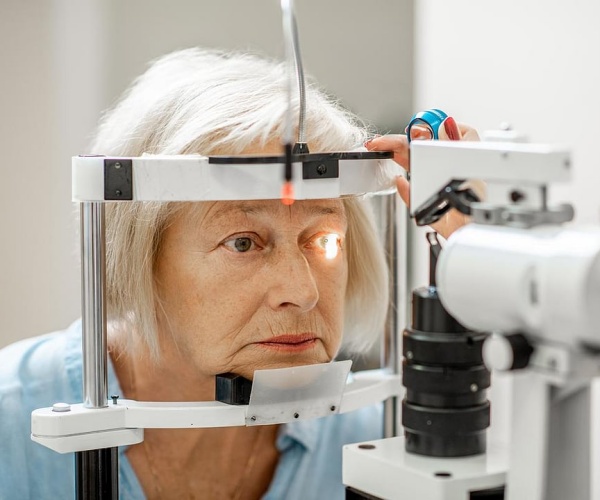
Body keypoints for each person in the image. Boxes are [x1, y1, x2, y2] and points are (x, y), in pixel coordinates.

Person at [0, 47, 477, 499]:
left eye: (323, 241)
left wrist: (482, 250)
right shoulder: (11, 422)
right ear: (139, 256)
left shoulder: (366, 439)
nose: (303, 292)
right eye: (243, 242)